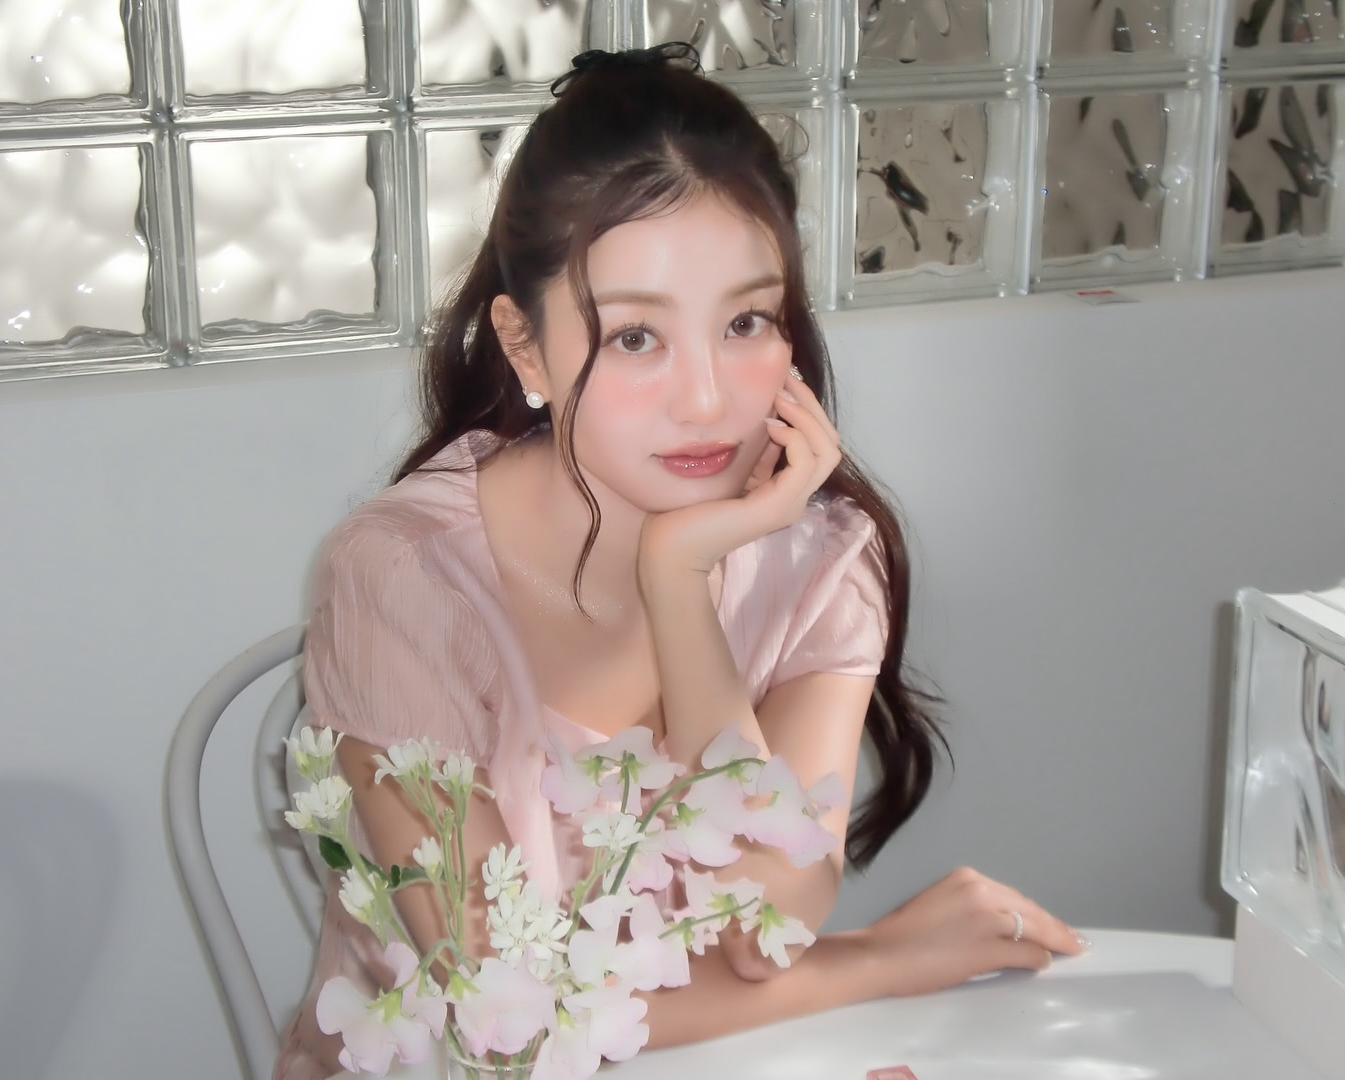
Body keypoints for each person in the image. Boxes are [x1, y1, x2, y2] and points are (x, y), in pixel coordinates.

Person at [274, 43, 1084, 1080]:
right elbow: (502, 1010)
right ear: (525, 348)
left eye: (746, 322)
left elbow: (761, 927)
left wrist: (679, 585)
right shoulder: (404, 575)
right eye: (635, 338)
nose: (706, 400)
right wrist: (880, 959)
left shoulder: (823, 565)